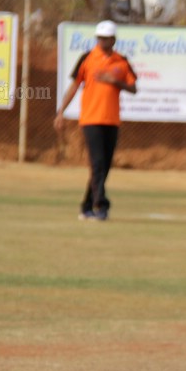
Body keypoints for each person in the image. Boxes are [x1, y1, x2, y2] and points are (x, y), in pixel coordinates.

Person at [55, 20, 137, 221]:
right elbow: (74, 86)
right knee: (98, 162)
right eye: (99, 37)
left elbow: (133, 88)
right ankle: (101, 205)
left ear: (113, 40)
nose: (102, 41)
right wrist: (61, 112)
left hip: (112, 120)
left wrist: (115, 81)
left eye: (106, 38)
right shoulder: (87, 58)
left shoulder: (121, 61)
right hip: (91, 118)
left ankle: (86, 206)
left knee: (104, 166)